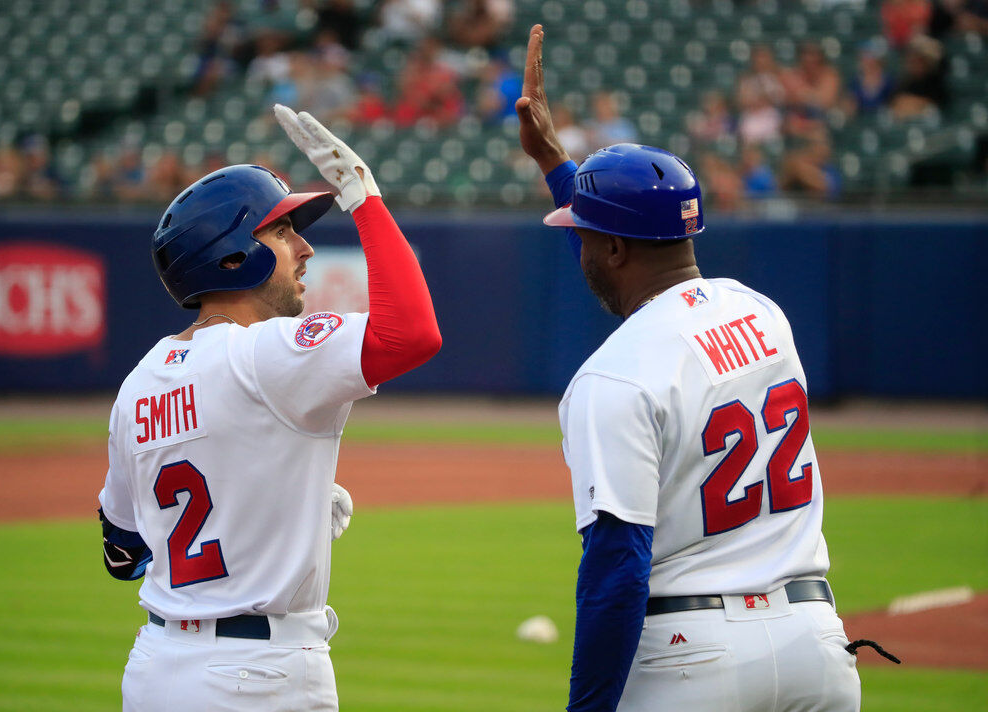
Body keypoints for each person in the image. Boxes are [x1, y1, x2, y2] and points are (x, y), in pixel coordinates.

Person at [515, 24, 892, 712]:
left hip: (696, 659)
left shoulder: (610, 379)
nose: (579, 250)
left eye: (583, 236)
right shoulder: (762, 313)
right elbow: (642, 270)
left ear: (615, 248)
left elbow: (616, 570)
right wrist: (555, 163)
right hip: (817, 644)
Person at [97, 107, 441, 711]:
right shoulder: (267, 353)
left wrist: (265, 506)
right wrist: (364, 197)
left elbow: (122, 552)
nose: (305, 248)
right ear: (232, 257)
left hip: (155, 671)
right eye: (283, 233)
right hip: (258, 677)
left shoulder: (139, 383)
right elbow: (411, 334)